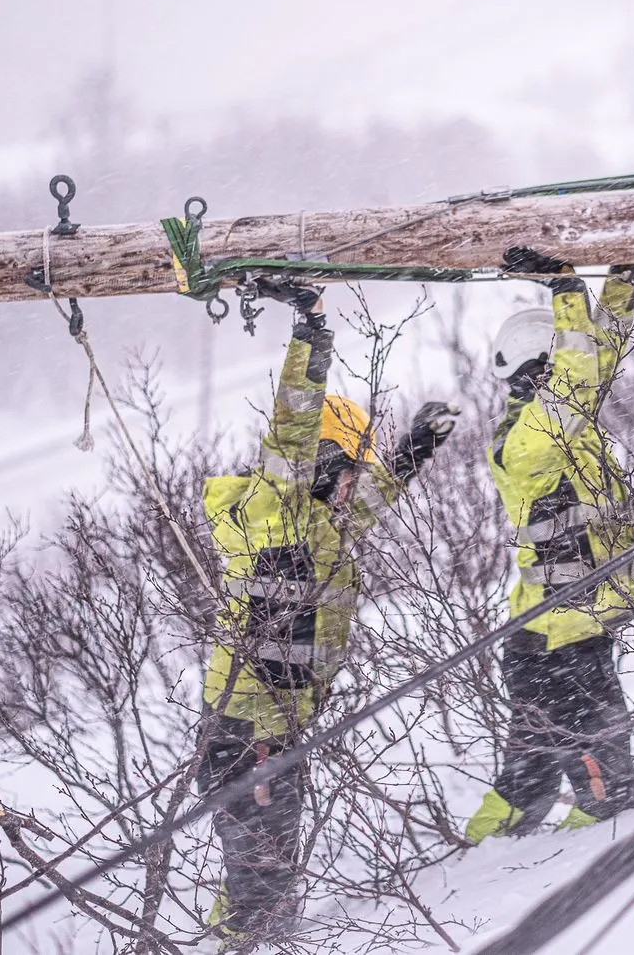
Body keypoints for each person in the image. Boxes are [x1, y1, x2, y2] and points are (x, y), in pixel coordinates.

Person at [195, 283, 459, 944]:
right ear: (318, 464)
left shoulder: (322, 523)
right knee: (262, 874)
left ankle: (239, 936)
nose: (352, 486)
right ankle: (246, 941)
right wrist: (312, 331)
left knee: (266, 868)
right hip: (248, 726)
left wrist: (412, 453)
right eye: (347, 471)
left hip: (276, 725)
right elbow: (294, 418)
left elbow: (370, 502)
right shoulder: (275, 507)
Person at [464, 247, 634, 845]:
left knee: (538, 745)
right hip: (559, 623)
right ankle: (598, 824)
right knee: (592, 746)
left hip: (556, 622)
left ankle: (496, 835)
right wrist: (562, 288)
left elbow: (592, 361)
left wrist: (621, 290)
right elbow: (578, 373)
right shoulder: (531, 441)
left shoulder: (562, 424)